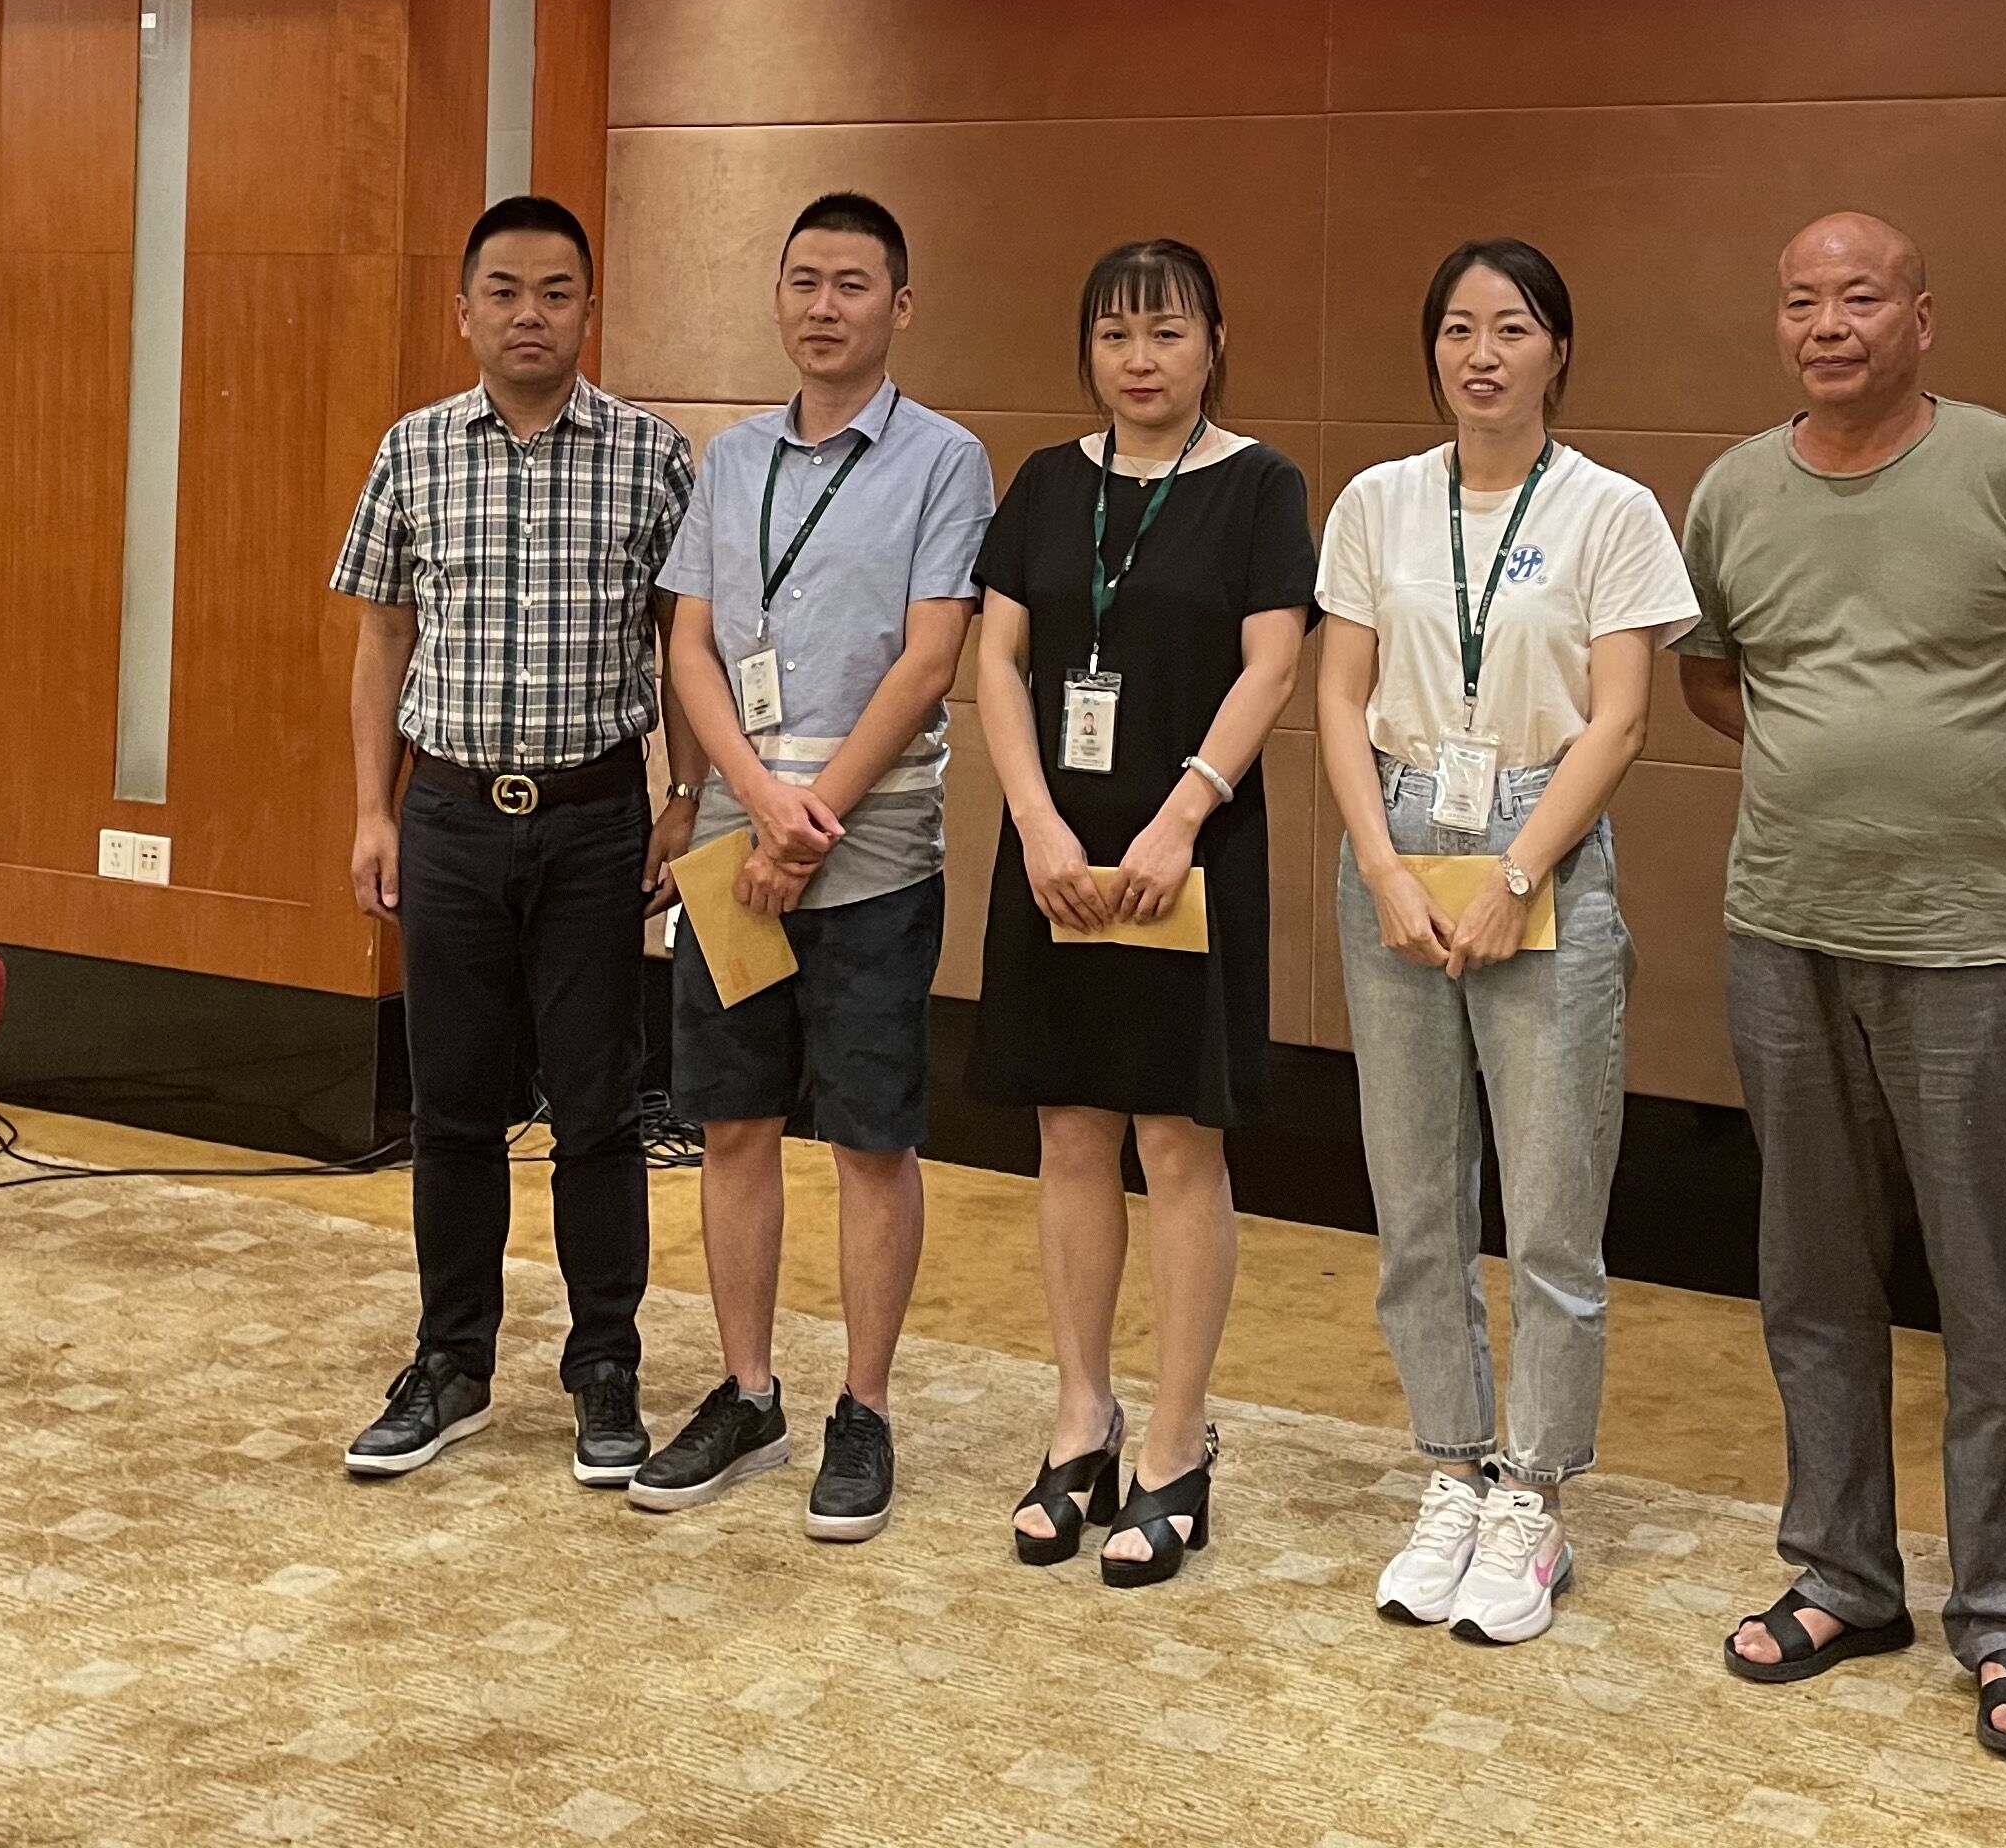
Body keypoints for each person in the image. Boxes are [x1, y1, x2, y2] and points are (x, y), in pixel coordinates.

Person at [1682, 211, 2006, 1757]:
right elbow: (1708, 673)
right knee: (1812, 1270)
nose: (1829, 324)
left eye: (1861, 297)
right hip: (1783, 928)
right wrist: (1832, 766)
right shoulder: (1734, 489)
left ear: (1923, 318)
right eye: (1800, 299)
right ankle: (1843, 1576)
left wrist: (1988, 787)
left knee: (1988, 1286)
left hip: (1973, 942)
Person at [1316, 238, 1697, 1648]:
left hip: (1547, 844)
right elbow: (1339, 696)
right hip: (1399, 841)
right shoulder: (1377, 501)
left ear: (1558, 350)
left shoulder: (1610, 508)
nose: (1483, 355)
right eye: (1459, 329)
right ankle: (1451, 1468)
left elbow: (1623, 717)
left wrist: (1518, 871)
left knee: (1548, 1208)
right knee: (1416, 1197)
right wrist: (1381, 864)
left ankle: (1533, 1492)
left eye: (1514, 328)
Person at [633, 191, 994, 1544]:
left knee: (869, 1136)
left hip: (874, 842)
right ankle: (747, 1390)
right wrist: (751, 799)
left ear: (899, 306)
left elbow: (932, 656)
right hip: (738, 838)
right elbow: (689, 644)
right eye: (803, 280)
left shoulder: (945, 460)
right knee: (732, 1121)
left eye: (852, 284)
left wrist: (811, 816)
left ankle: (865, 1404)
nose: (824, 306)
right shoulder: (731, 460)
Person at [328, 195, 697, 1487]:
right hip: (446, 818)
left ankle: (605, 1367)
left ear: (590, 309)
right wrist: (372, 810)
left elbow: (686, 641)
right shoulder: (414, 450)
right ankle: (451, 1363)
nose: (528, 315)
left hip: (598, 820)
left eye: (555, 292)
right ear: (464, 310)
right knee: (451, 1103)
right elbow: (382, 637)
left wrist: (686, 798)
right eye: (504, 291)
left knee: (599, 1107)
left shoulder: (652, 456)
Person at [970, 240, 1316, 1585]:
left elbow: (1271, 667)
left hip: (1192, 850)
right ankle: (1081, 1419)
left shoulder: (1260, 485)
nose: (1140, 359)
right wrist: (1037, 824)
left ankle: (1176, 1443)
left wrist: (1179, 818)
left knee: (1176, 1141)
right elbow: (998, 661)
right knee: (1069, 1132)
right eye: (1115, 335)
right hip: (1056, 854)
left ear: (1215, 341)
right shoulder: (1046, 483)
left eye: (1167, 332)